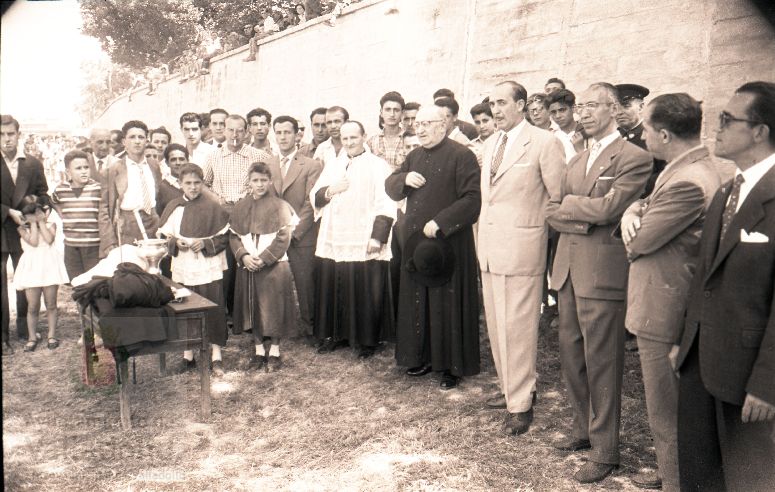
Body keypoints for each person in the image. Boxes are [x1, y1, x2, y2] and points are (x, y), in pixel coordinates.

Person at [546, 82, 652, 483]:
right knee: (572, 354)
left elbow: (611, 210)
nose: (584, 113)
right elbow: (550, 211)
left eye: (593, 105)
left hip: (602, 274)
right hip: (568, 270)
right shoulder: (576, 159)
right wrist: (582, 214)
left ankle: (606, 450)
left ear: (614, 109)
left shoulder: (634, 157)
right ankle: (583, 430)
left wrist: (573, 207)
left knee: (602, 360)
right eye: (582, 106)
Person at [674, 81, 775, 491]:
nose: (716, 128)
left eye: (727, 120)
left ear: (759, 131)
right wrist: (683, 342)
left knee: (750, 479)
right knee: (699, 474)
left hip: (749, 377)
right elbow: (704, 276)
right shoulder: (725, 192)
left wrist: (768, 385)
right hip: (700, 362)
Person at [620, 93, 723, 491]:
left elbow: (639, 242)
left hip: (664, 312)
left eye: (646, 128)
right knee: (669, 410)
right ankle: (671, 474)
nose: (642, 135)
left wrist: (634, 218)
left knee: (667, 412)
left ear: (663, 135)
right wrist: (632, 209)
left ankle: (676, 482)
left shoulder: (688, 182)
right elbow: (646, 204)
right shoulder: (688, 168)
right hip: (669, 307)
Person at [478, 81, 565, 434]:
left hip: (522, 250)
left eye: (502, 103)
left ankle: (521, 404)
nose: (495, 110)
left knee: (518, 329)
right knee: (497, 326)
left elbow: (558, 197)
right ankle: (510, 387)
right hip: (490, 250)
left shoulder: (544, 142)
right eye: (492, 104)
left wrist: (536, 235)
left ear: (521, 105)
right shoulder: (491, 143)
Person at [386, 106, 481, 390]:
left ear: (443, 125)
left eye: (427, 123)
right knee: (420, 300)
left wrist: (441, 221)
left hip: (450, 243)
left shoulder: (462, 155)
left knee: (446, 305)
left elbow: (472, 199)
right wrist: (403, 179)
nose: (420, 129)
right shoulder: (414, 156)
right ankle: (423, 357)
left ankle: (452, 366)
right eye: (418, 124)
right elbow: (391, 186)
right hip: (418, 245)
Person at [311, 121, 395, 357]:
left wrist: (377, 237)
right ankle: (337, 335)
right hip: (335, 236)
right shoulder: (334, 164)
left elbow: (386, 202)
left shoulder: (378, 165)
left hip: (362, 236)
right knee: (335, 285)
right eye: (345, 138)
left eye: (353, 138)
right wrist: (331, 190)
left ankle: (367, 340)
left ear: (364, 136)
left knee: (364, 288)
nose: (349, 142)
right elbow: (315, 195)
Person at [157, 163, 230, 375]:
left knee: (213, 304)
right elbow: (163, 235)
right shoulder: (174, 206)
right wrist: (175, 243)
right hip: (184, 263)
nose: (193, 187)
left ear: (203, 183)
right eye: (188, 183)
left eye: (197, 182)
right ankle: (188, 354)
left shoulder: (213, 206)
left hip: (208, 265)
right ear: (180, 184)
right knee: (186, 305)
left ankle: (216, 355)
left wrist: (206, 243)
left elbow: (225, 236)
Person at [230, 162, 298, 372]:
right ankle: (259, 350)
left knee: (274, 308)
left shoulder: (280, 206)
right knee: (253, 308)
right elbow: (233, 236)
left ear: (270, 181)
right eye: (255, 180)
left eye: (263, 180)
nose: (259, 184)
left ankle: (275, 351)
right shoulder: (241, 206)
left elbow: (284, 237)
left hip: (273, 265)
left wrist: (265, 258)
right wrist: (243, 256)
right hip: (248, 264)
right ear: (249, 182)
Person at [203, 115, 272, 320]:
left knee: (246, 256)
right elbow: (204, 183)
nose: (235, 135)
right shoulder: (213, 156)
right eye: (231, 130)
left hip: (249, 212)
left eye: (240, 130)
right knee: (225, 261)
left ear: (247, 131)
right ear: (224, 131)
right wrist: (218, 200)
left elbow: (267, 183)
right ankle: (225, 310)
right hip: (222, 213)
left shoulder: (258, 155)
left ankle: (245, 311)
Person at [269, 116, 322, 339]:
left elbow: (312, 202)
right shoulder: (268, 164)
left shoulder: (311, 165)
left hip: (302, 235)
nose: (283, 137)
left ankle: (312, 328)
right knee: (272, 281)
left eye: (287, 132)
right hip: (273, 235)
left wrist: (294, 230)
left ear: (297, 135)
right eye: (279, 132)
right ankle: (274, 327)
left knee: (306, 283)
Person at [1, 115, 49, 353]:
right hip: (2, 227)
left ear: (18, 134)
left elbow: (43, 192)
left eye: (10, 133)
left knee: (25, 280)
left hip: (26, 232)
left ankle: (23, 328)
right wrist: (7, 211)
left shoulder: (32, 163)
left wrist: (44, 207)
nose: (6, 139)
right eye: (1, 135)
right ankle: (2, 335)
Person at [98, 120, 163, 257]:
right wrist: (109, 241)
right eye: (132, 137)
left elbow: (158, 196)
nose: (137, 141)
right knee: (131, 265)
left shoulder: (154, 166)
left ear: (147, 141)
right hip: (128, 226)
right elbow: (104, 208)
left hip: (153, 223)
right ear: (124, 142)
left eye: (141, 137)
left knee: (154, 266)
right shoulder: (113, 170)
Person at [14, 195, 69, 352]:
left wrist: (41, 222)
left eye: (39, 212)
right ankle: (32, 337)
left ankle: (52, 335)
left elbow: (49, 239)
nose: (36, 216)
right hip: (32, 268)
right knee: (33, 306)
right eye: (31, 214)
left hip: (49, 265)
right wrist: (33, 224)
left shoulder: (51, 225)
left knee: (51, 304)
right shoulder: (21, 229)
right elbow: (33, 242)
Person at [50, 150, 102, 281]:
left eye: (86, 167)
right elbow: (53, 201)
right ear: (68, 172)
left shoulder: (97, 188)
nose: (84, 171)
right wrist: (61, 213)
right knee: (75, 281)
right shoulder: (61, 189)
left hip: (93, 245)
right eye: (78, 168)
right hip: (71, 245)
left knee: (93, 281)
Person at [367, 91, 407, 171]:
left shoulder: (408, 139)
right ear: (381, 113)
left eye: (396, 110)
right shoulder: (372, 141)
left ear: (402, 114)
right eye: (388, 110)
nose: (392, 114)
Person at [547, 89, 583, 162]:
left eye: (562, 110)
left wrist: (581, 149)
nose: (558, 116)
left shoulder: (588, 132)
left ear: (573, 108)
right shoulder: (550, 137)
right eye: (553, 112)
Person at [155, 143, 188, 215]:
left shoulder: (196, 183)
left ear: (187, 161)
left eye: (181, 159)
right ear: (167, 163)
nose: (178, 163)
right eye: (173, 160)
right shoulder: (162, 188)